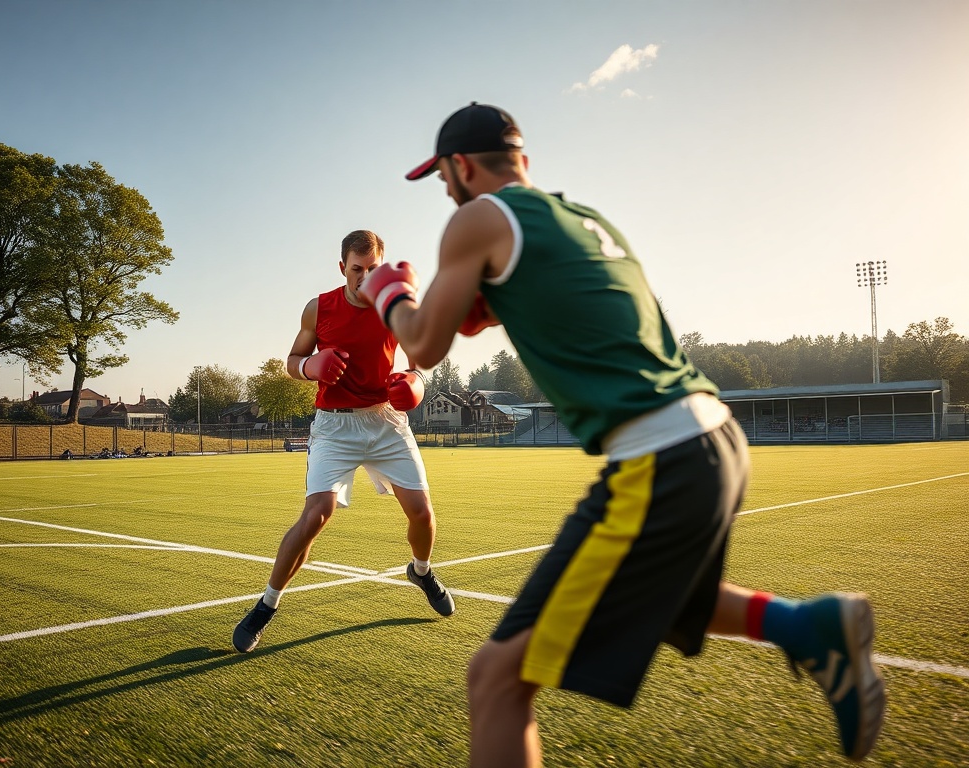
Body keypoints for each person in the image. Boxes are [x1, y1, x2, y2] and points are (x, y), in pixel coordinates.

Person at [358, 103, 885, 765]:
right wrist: (495, 306)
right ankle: (807, 626)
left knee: (496, 678)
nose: (444, 193)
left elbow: (423, 344)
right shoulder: (587, 221)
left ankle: (812, 627)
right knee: (666, 600)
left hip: (661, 457)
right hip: (712, 436)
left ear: (461, 166)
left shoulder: (478, 218)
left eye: (442, 178)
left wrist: (390, 292)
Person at [232, 229, 455, 654]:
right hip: (334, 427)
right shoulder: (319, 308)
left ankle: (421, 571)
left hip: (386, 422)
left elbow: (418, 364)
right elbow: (291, 361)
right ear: (342, 268)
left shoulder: (396, 307)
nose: (365, 277)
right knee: (317, 515)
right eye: (357, 269)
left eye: (373, 269)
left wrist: (415, 384)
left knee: (422, 513)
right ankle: (266, 605)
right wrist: (310, 366)